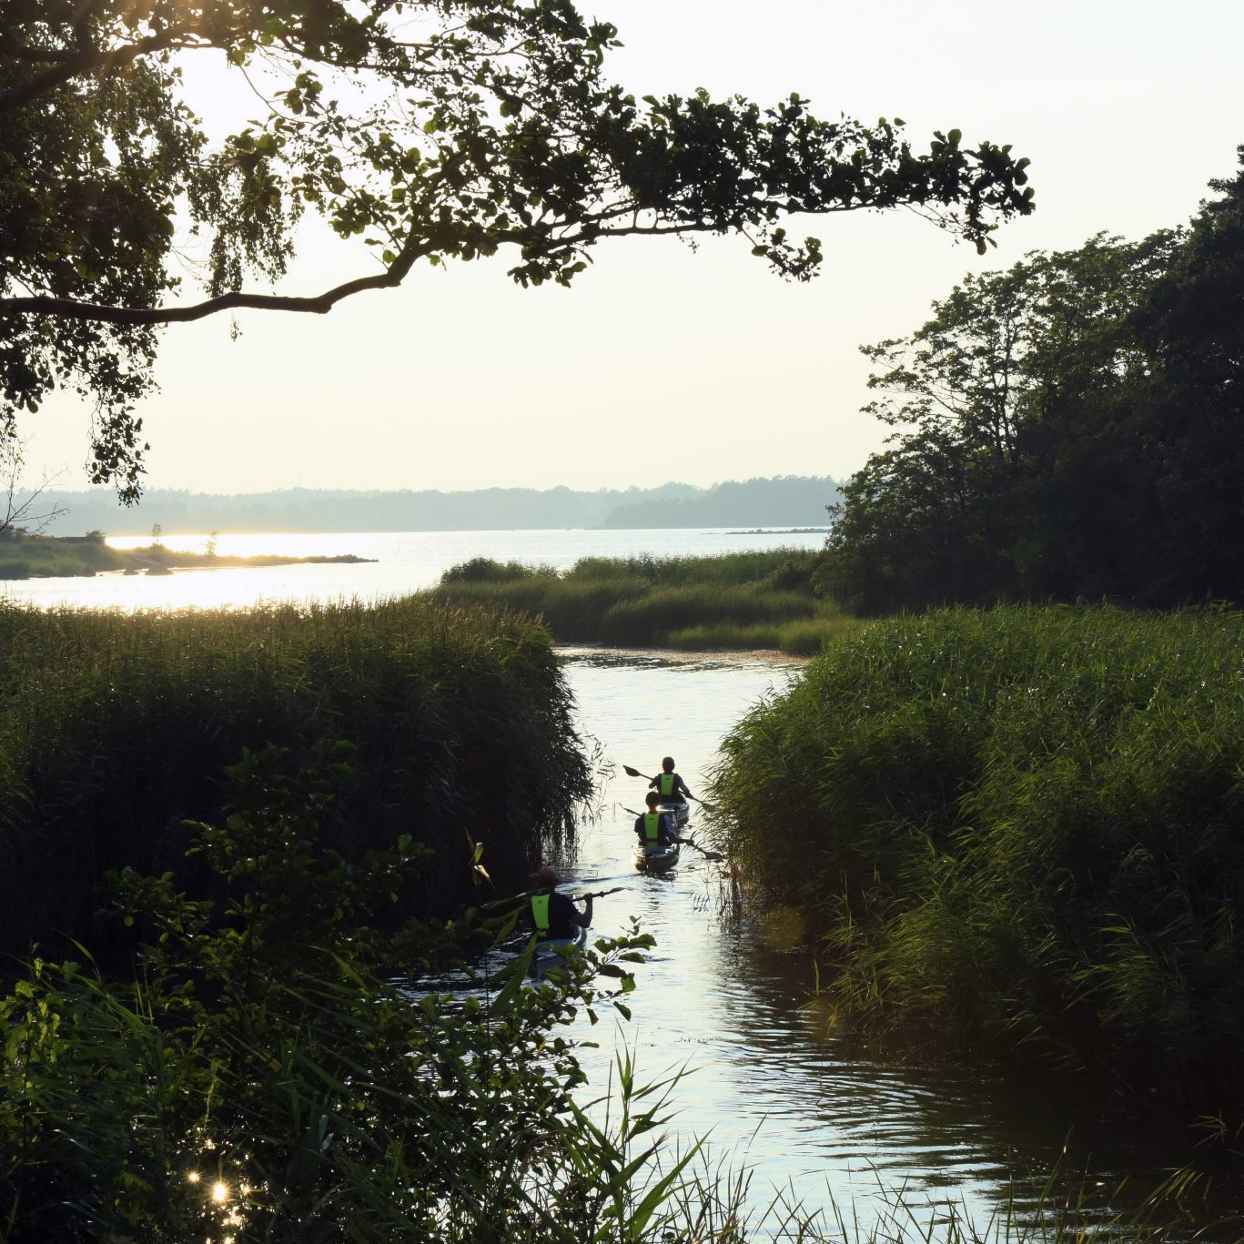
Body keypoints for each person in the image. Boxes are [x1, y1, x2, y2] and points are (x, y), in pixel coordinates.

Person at [528, 866, 592, 941]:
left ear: (538, 884)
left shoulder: (530, 903)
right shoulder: (562, 900)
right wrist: (589, 903)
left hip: (539, 944)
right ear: (555, 883)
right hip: (563, 944)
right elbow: (585, 922)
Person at [650, 756, 693, 820]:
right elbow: (684, 788)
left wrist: (654, 781)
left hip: (662, 801)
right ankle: (676, 818)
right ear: (673, 766)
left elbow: (650, 786)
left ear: (662, 767)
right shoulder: (677, 777)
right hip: (676, 800)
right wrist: (688, 794)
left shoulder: (658, 777)